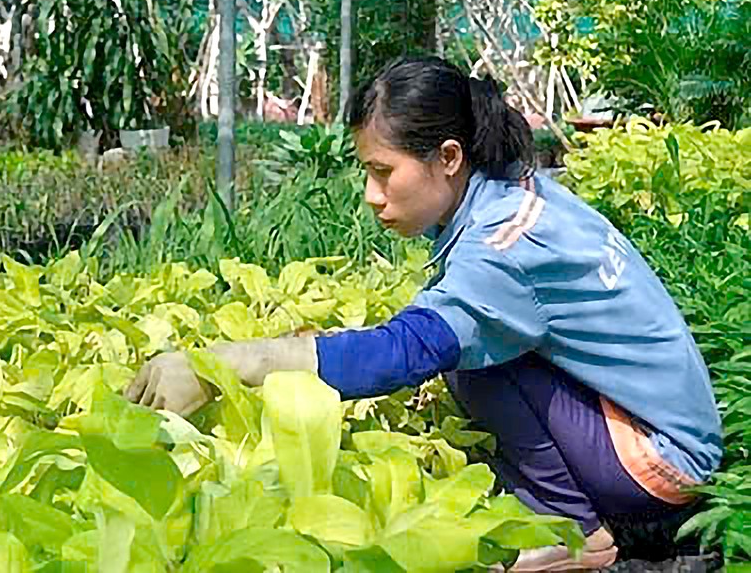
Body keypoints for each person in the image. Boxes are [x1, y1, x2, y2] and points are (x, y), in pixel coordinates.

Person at [125, 56, 722, 571]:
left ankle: (571, 532)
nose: (370, 194)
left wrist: (223, 362)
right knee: (464, 340)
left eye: (383, 171)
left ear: (449, 157)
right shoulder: (515, 189)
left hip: (658, 461)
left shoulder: (503, 248)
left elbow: (401, 353)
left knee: (466, 356)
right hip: (656, 429)